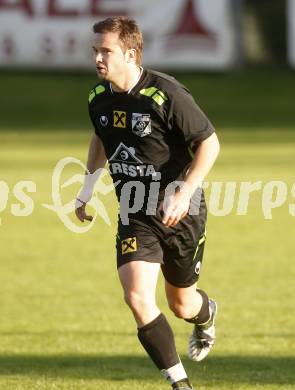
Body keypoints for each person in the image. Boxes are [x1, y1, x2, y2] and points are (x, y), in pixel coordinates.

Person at [75, 16, 220, 390]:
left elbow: (210, 143)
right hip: (135, 213)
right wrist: (87, 188)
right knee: (137, 297)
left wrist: (184, 191)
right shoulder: (98, 97)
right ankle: (180, 384)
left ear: (131, 53)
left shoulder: (166, 94)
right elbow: (100, 138)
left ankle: (206, 317)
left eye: (105, 51)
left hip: (180, 213)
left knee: (182, 305)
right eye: (95, 50)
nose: (97, 59)